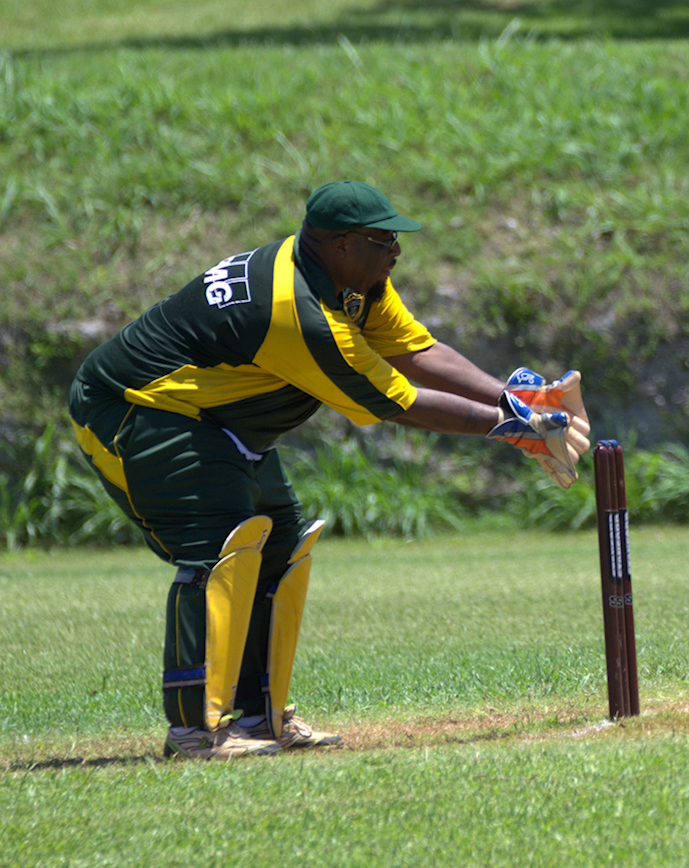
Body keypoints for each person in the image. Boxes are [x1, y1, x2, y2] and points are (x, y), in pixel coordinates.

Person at [68, 180, 591, 758]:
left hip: (216, 422)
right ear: (341, 243)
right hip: (136, 410)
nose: (396, 250)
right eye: (383, 239)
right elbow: (398, 401)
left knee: (279, 539)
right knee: (216, 548)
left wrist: (511, 400)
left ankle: (261, 720)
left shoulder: (353, 282)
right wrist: (511, 428)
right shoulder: (297, 313)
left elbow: (416, 351)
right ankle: (195, 732)